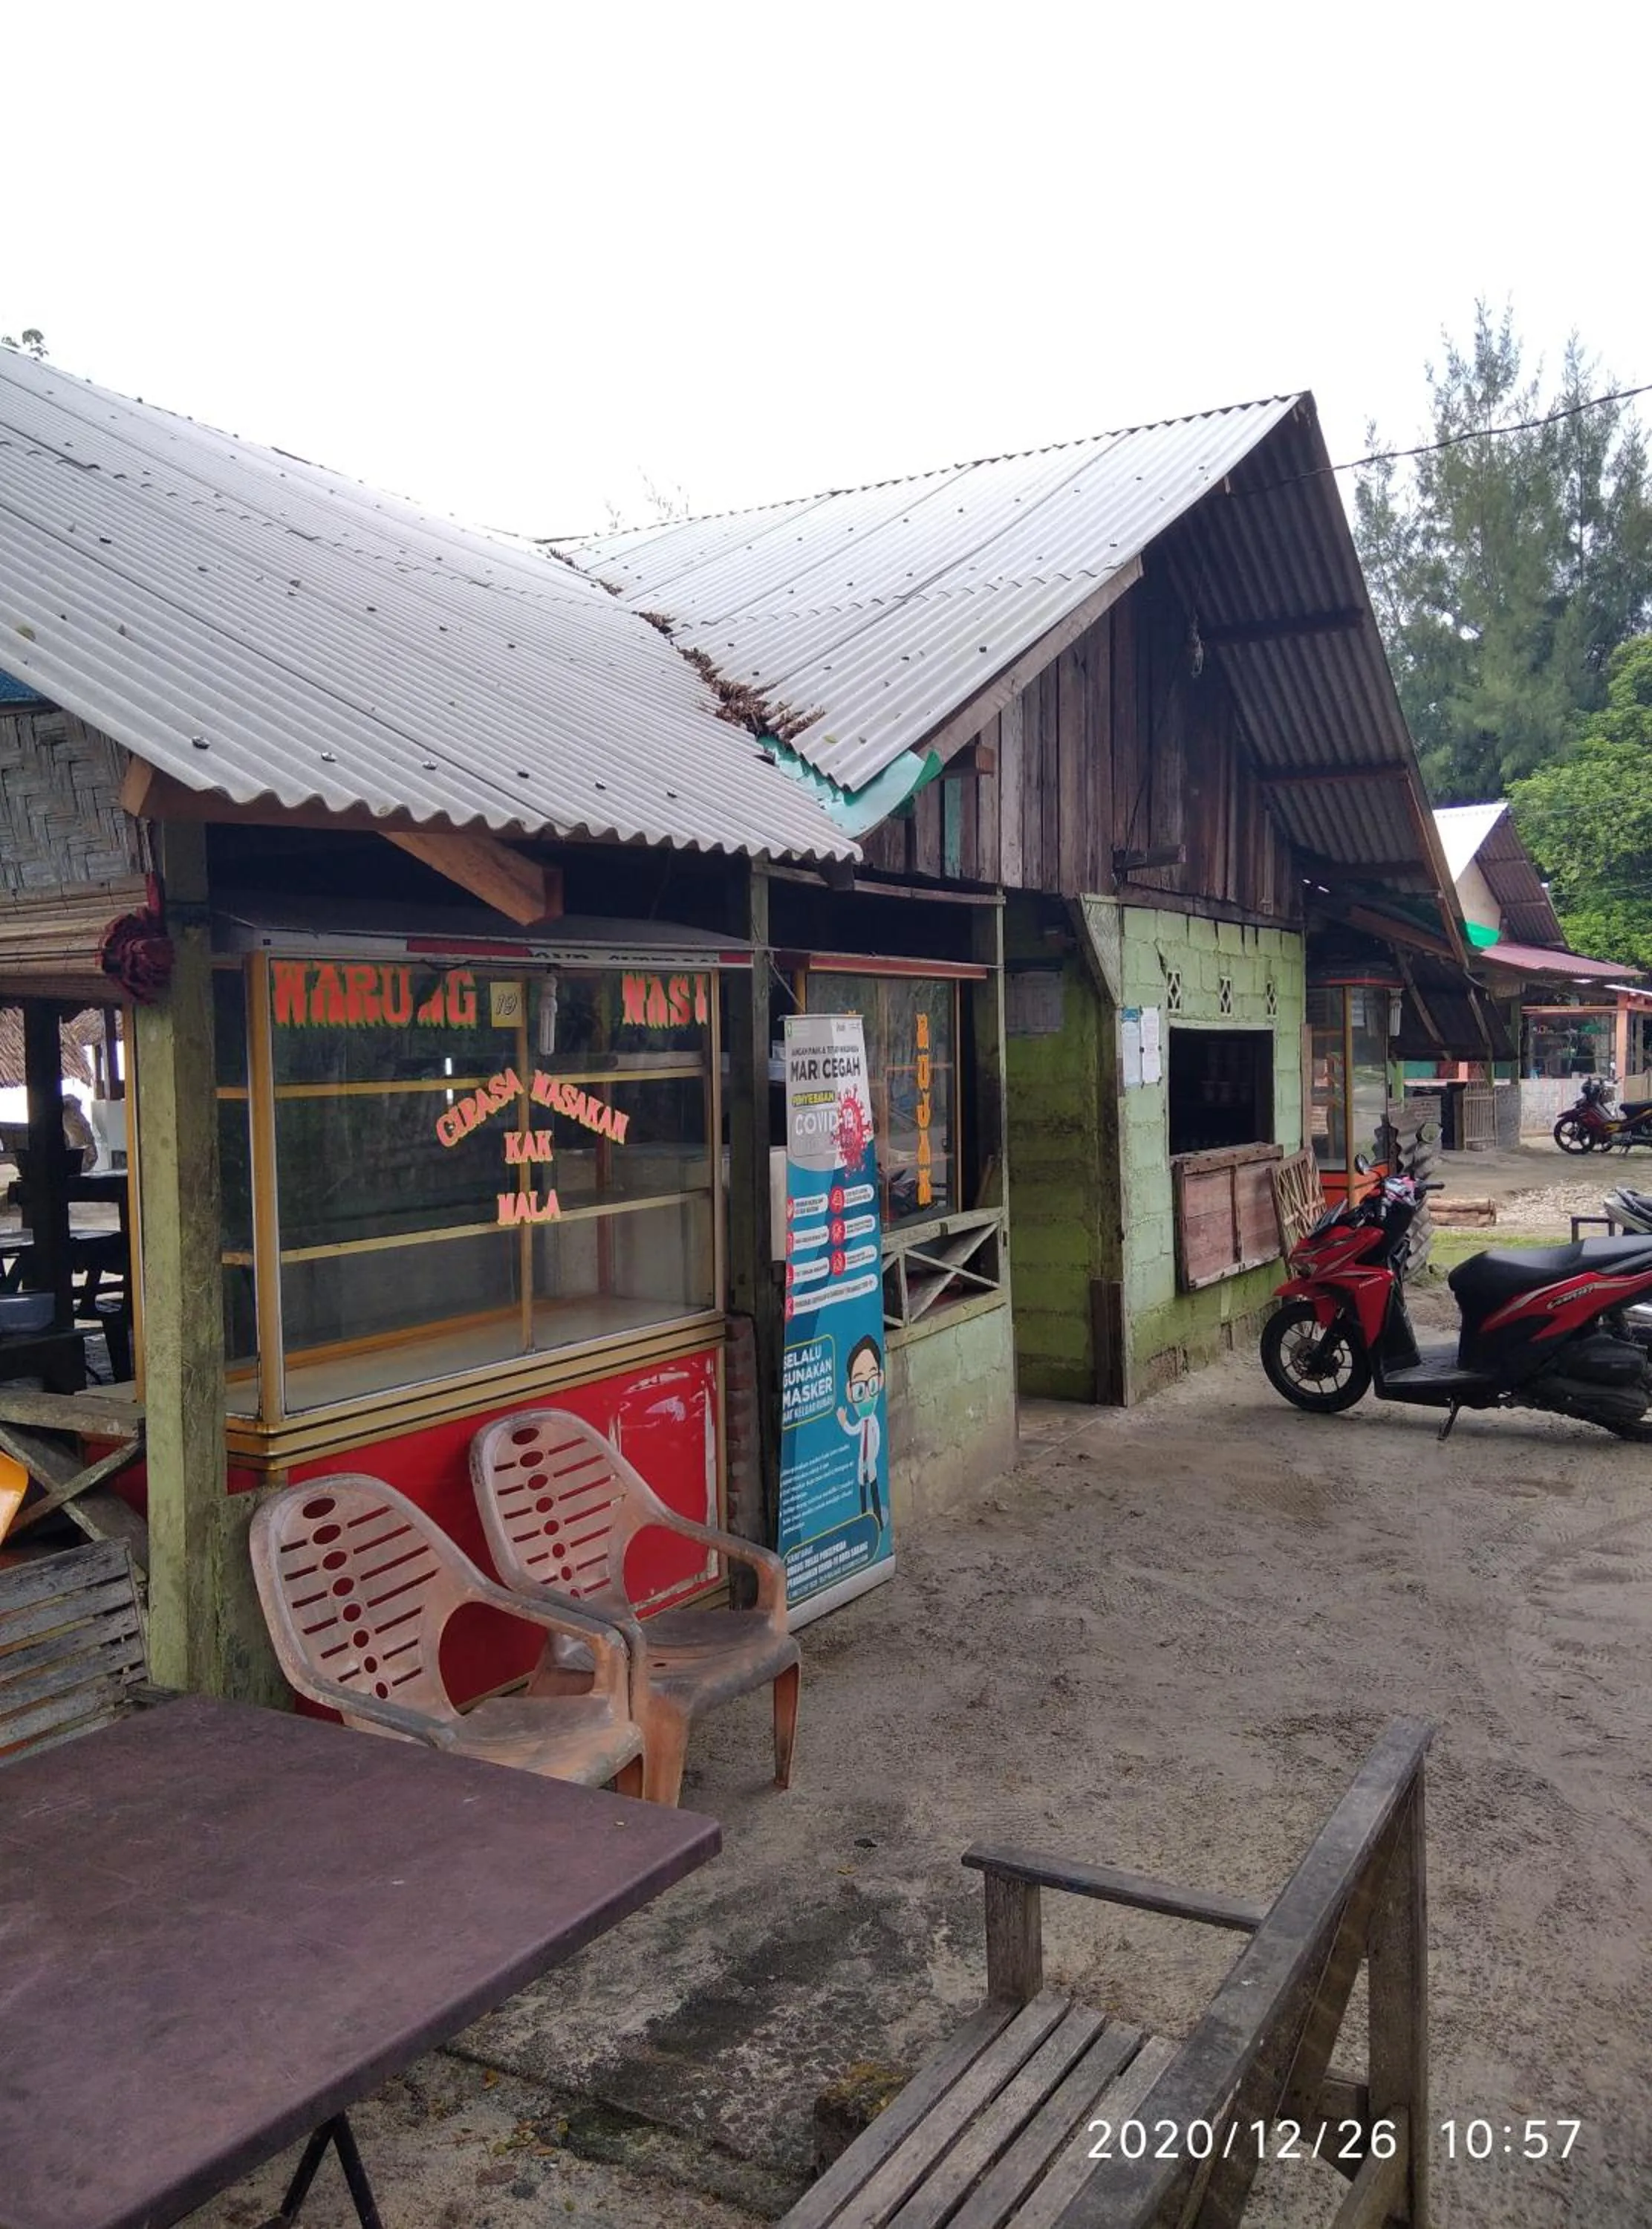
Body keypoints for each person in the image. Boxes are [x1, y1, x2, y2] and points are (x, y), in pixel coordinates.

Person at [836, 1333, 885, 1530]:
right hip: (861, 1465)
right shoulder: (863, 1422)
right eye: (859, 1389)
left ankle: (878, 1521)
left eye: (871, 1384)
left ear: (880, 1380)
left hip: (870, 1463)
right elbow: (851, 1429)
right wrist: (843, 1421)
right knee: (862, 1492)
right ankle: (863, 1520)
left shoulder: (873, 1421)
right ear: (849, 1392)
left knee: (874, 1490)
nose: (866, 1394)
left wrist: (871, 1459)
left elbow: (878, 1440)